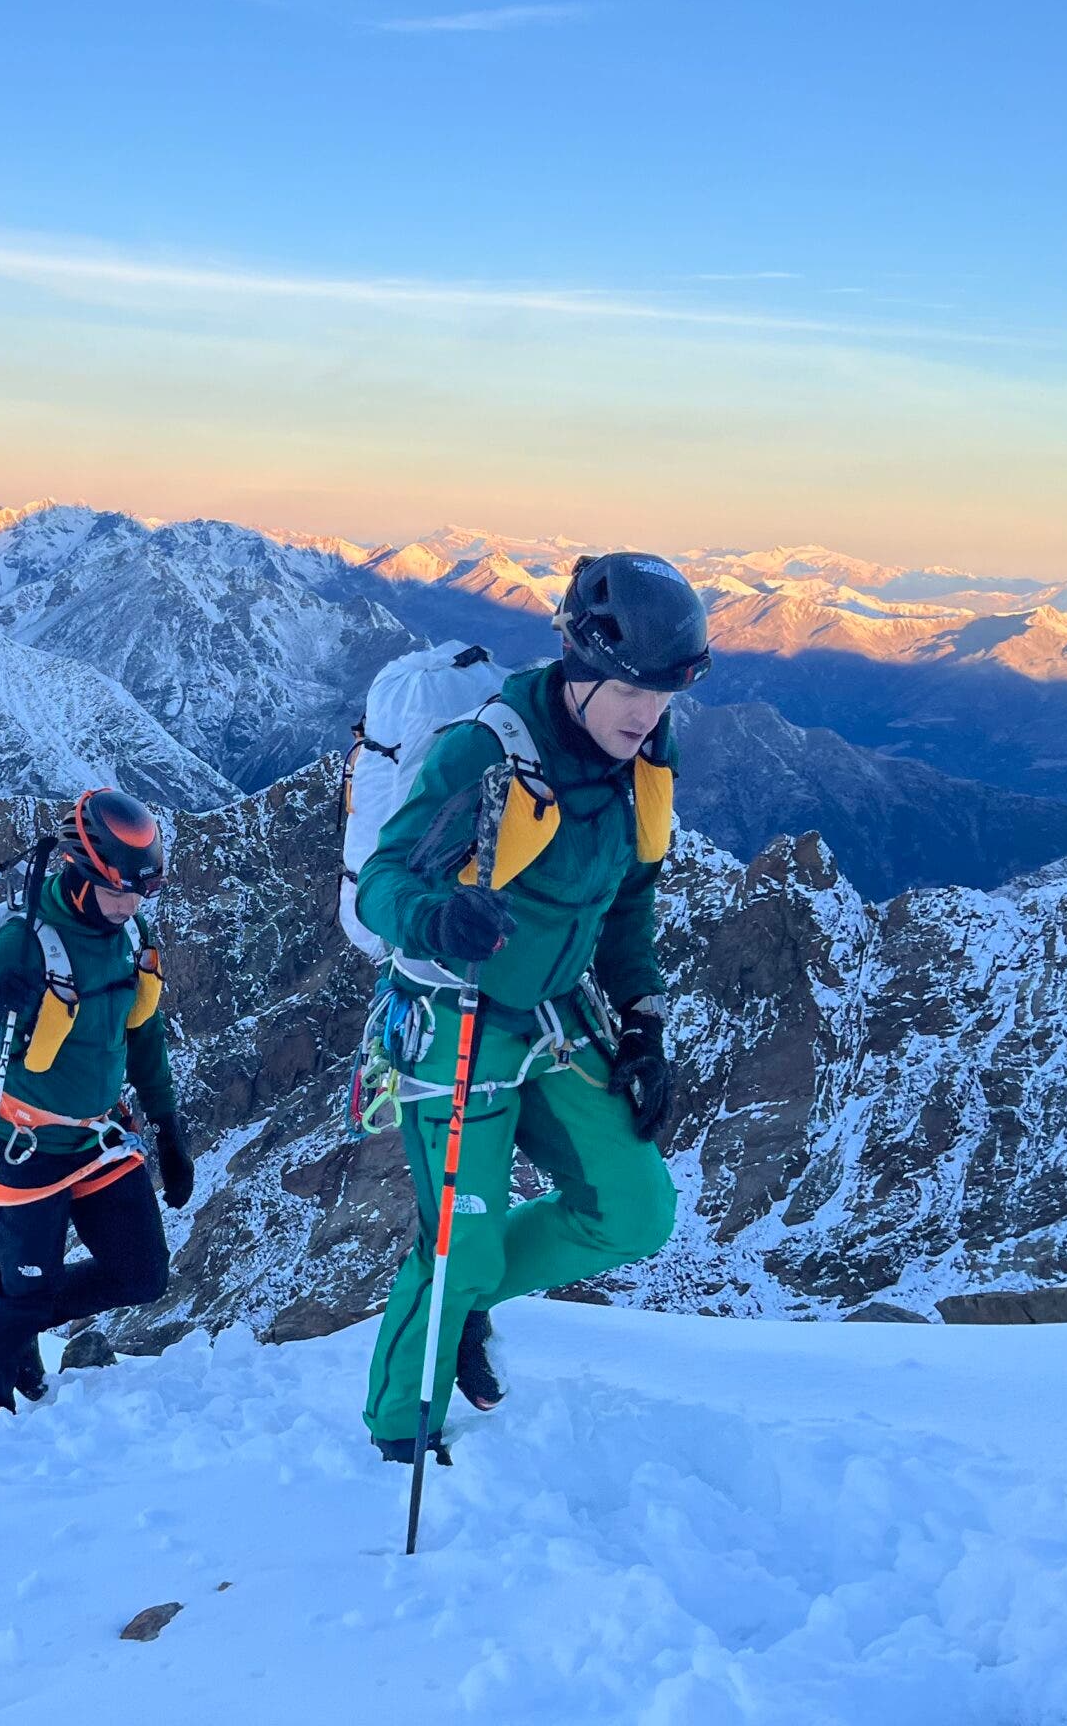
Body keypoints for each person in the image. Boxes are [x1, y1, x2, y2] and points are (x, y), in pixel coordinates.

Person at [355, 552, 711, 1461]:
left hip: (555, 1018)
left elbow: (630, 900)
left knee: (634, 1212)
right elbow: (381, 886)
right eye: (632, 690)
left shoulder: (645, 758)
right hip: (454, 1015)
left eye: (663, 695)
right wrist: (438, 913)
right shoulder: (487, 751)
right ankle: (402, 1428)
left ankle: (466, 1302)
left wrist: (644, 1020)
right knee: (457, 1247)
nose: (647, 713)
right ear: (584, 667)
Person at [0, 788, 195, 1414]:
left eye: (144, 893)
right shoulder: (27, 939)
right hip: (30, 1147)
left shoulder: (131, 935)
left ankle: (7, 1308)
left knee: (142, 1275)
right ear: (83, 871)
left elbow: (143, 1030)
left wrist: (169, 1126)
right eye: (122, 890)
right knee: (28, 1300)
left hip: (100, 1140)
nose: (131, 905)